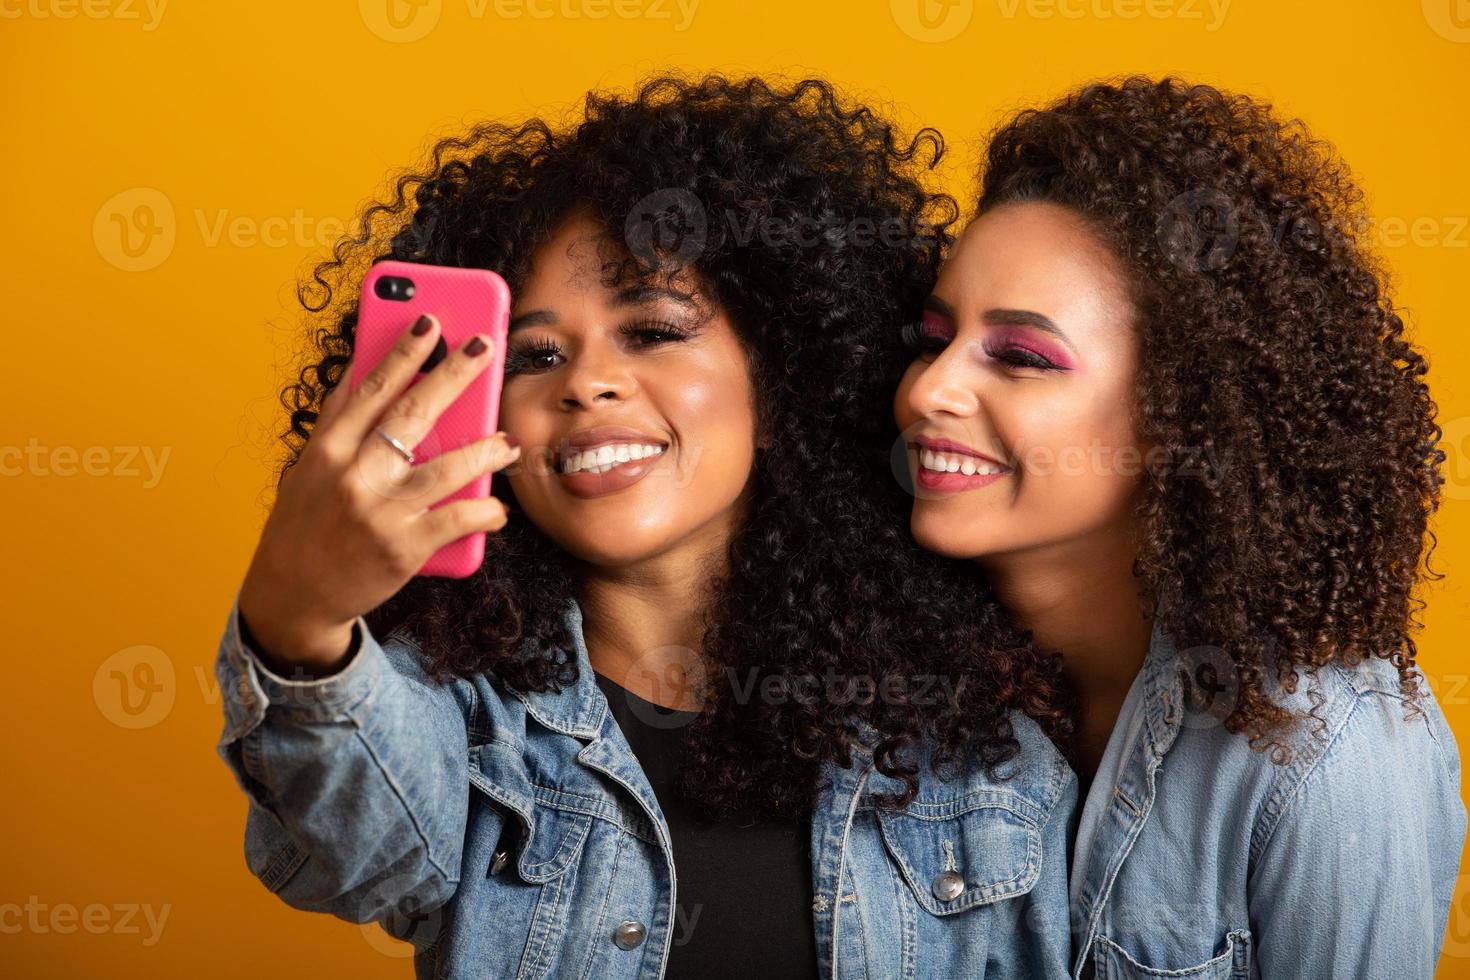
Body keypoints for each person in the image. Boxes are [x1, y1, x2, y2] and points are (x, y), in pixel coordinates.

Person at [214, 74, 1077, 979]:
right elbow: (350, 861)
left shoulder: (973, 726)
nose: (585, 384)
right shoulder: (460, 715)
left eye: (654, 331)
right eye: (537, 355)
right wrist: (299, 626)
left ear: (784, 369)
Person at [893, 75, 1466, 978]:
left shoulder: (1325, 746)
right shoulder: (881, 685)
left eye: (1020, 357)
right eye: (932, 338)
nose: (927, 391)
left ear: (1180, 416)